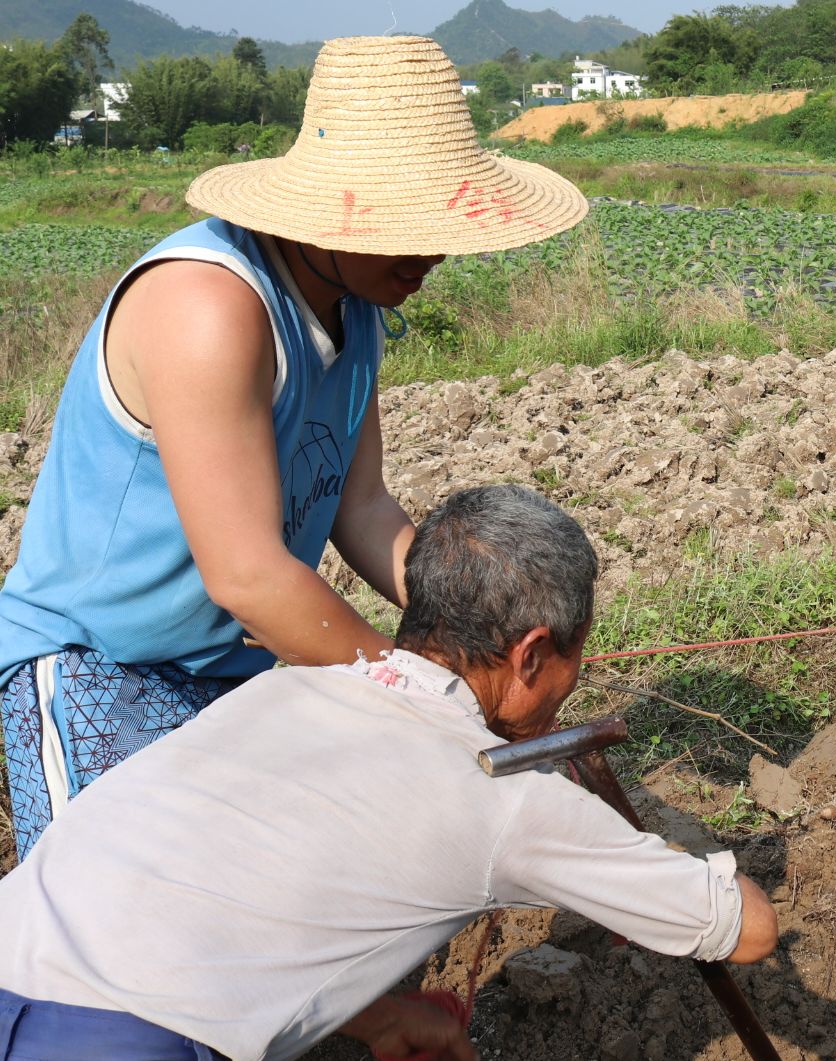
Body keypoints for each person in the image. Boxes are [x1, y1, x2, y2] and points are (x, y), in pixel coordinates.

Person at [0, 36, 589, 860]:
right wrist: (425, 696)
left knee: (253, 919)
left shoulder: (356, 311)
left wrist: (476, 629)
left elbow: (363, 505)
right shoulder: (210, 305)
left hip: (226, 671)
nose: (433, 252)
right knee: (110, 934)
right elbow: (246, 574)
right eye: (405, 226)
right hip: (102, 666)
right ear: (330, 210)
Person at [0, 485, 780, 1061]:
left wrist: (374, 1020)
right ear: (533, 653)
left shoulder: (278, 691)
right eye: (579, 654)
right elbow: (747, 929)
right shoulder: (501, 797)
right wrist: (655, 848)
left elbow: (202, 912)